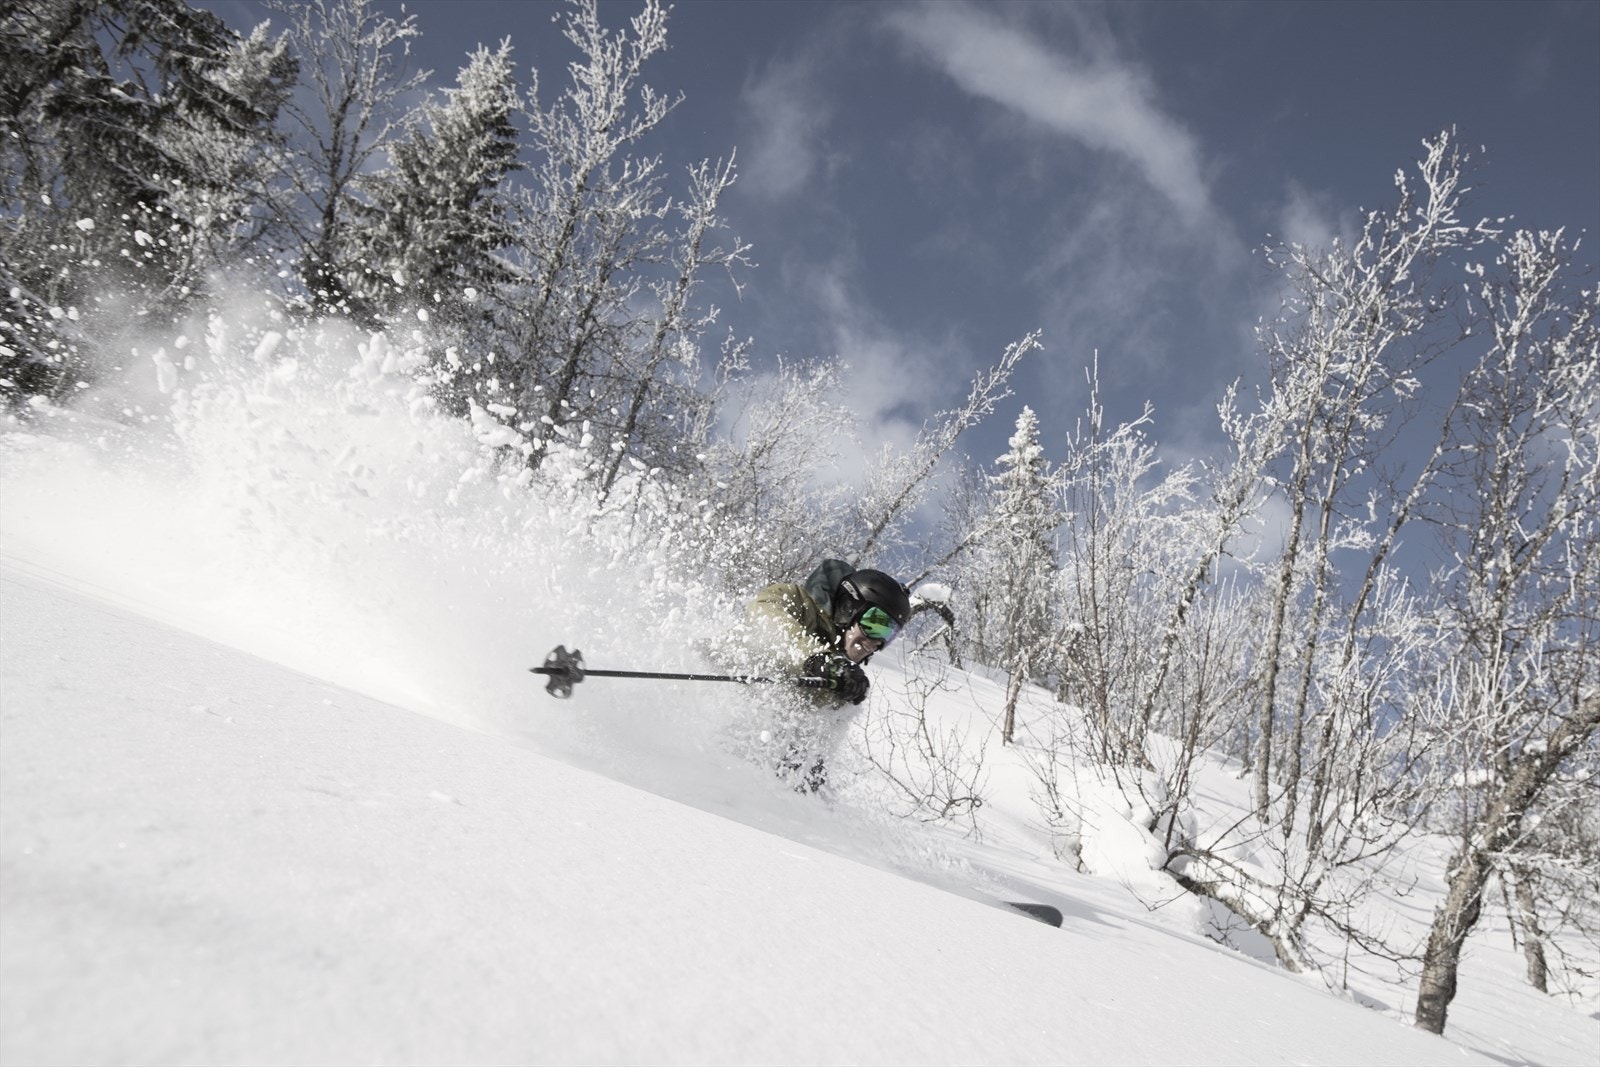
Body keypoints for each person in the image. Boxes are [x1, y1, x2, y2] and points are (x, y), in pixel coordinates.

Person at [741, 559, 913, 790]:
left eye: (888, 634)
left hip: (749, 758)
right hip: (717, 688)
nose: (876, 642)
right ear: (848, 608)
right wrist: (816, 658)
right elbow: (765, 618)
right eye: (875, 624)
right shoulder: (796, 601)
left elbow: (812, 744)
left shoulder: (839, 677)